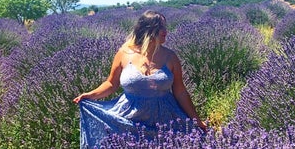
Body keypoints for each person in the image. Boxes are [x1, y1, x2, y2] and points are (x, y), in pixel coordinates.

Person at [73, 10, 206, 148]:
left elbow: (180, 92)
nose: (165, 31)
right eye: (160, 27)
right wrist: (90, 95)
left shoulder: (170, 57)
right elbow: (111, 84)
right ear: (148, 30)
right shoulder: (124, 54)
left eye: (165, 27)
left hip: (165, 120)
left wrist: (196, 120)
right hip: (129, 119)